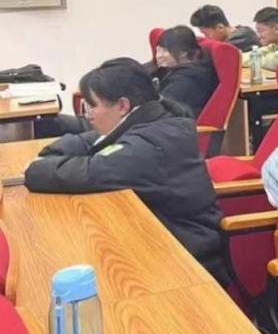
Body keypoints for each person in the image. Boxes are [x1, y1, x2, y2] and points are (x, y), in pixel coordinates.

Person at [25, 58, 230, 285]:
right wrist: (52, 154)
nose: (88, 115)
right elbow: (95, 139)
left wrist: (36, 166)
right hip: (158, 239)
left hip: (189, 260)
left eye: (92, 106)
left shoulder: (149, 145)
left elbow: (90, 171)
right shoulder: (154, 119)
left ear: (123, 106)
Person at [154, 25, 220, 116]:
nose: (159, 56)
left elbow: (163, 112)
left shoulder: (186, 80)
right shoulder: (195, 67)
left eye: (164, 51)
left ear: (183, 53)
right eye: (158, 50)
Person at [243, 7, 278, 71]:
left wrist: (239, 60)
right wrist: (237, 57)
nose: (258, 36)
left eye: (260, 31)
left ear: (276, 29)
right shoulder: (275, 45)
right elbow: (256, 53)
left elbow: (267, 62)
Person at [189, 5, 259, 51]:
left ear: (220, 28)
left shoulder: (241, 39)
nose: (206, 38)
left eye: (206, 34)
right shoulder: (240, 32)